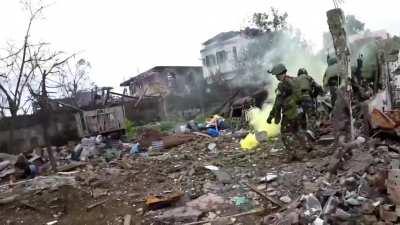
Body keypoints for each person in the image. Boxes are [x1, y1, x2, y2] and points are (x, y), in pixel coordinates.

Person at [267, 64, 309, 161]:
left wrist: (271, 116)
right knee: (297, 130)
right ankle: (307, 147)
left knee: (285, 133)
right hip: (298, 111)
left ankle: (293, 154)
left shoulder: (282, 85)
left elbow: (278, 103)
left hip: (289, 112)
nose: (276, 77)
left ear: (280, 74)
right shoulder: (294, 80)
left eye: (276, 75)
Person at [296, 68, 324, 139]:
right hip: (307, 97)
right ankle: (311, 131)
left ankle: (303, 135)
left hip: (297, 101)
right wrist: (316, 94)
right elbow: (317, 87)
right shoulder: (308, 77)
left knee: (301, 118)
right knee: (311, 116)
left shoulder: (295, 80)